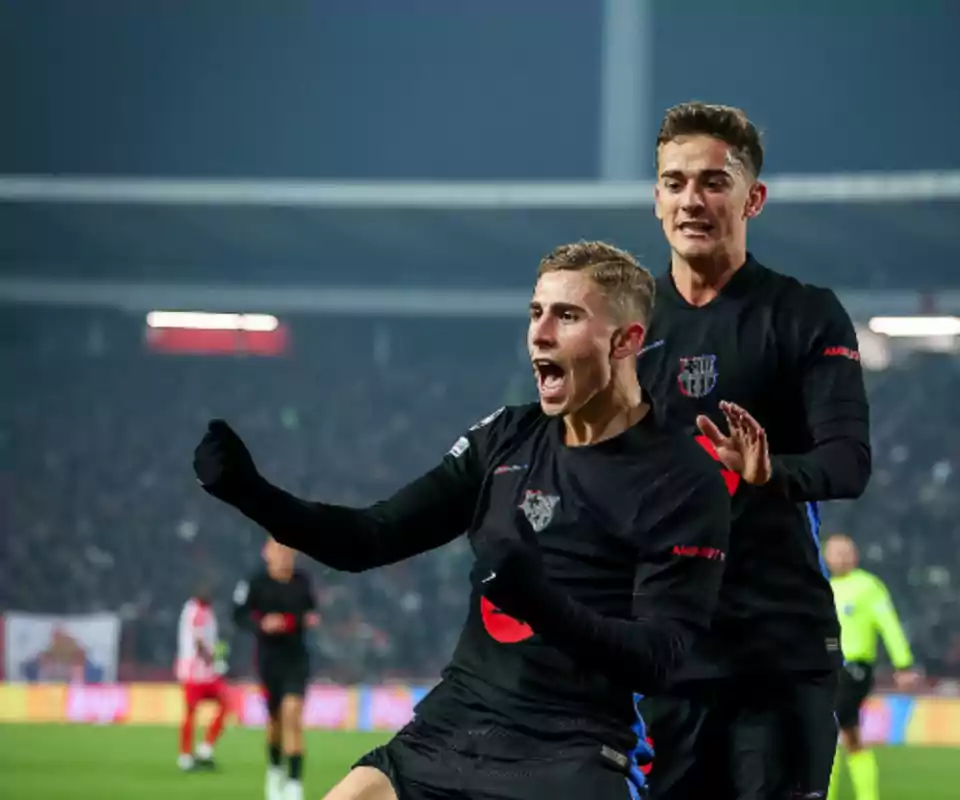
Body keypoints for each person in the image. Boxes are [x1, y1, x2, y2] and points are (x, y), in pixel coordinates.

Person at [193, 240, 734, 800]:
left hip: (574, 751)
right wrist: (251, 493)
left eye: (567, 316)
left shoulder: (682, 478)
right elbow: (368, 538)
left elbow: (658, 659)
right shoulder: (506, 437)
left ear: (627, 340)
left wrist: (540, 601)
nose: (540, 333)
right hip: (452, 731)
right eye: (536, 313)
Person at [636, 101, 873, 800]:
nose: (692, 200)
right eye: (674, 182)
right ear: (656, 200)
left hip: (778, 649)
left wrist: (771, 473)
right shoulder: (626, 325)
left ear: (753, 197)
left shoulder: (804, 314)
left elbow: (848, 461)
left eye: (713, 181)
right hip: (665, 657)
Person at [824, 534, 918, 800]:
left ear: (856, 555)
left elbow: (888, 623)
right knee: (841, 734)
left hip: (855, 668)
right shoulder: (824, 586)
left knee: (834, 724)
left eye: (846, 551)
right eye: (835, 552)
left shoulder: (868, 586)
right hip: (828, 668)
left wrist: (904, 663)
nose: (841, 556)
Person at [232, 538, 320, 800]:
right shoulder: (255, 583)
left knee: (293, 714)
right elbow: (239, 615)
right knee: (275, 721)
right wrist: (262, 623)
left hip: (296, 658)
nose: (284, 555)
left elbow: (311, 612)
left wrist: (305, 620)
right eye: (278, 550)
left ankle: (294, 785)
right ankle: (274, 771)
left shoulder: (302, 581)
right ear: (266, 553)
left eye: (288, 550)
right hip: (269, 659)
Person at [176, 584, 230, 771]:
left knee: (224, 703)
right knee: (193, 711)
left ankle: (200, 750)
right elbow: (198, 642)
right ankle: (190, 754)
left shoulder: (197, 609)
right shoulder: (197, 611)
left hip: (201, 671)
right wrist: (213, 661)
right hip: (197, 672)